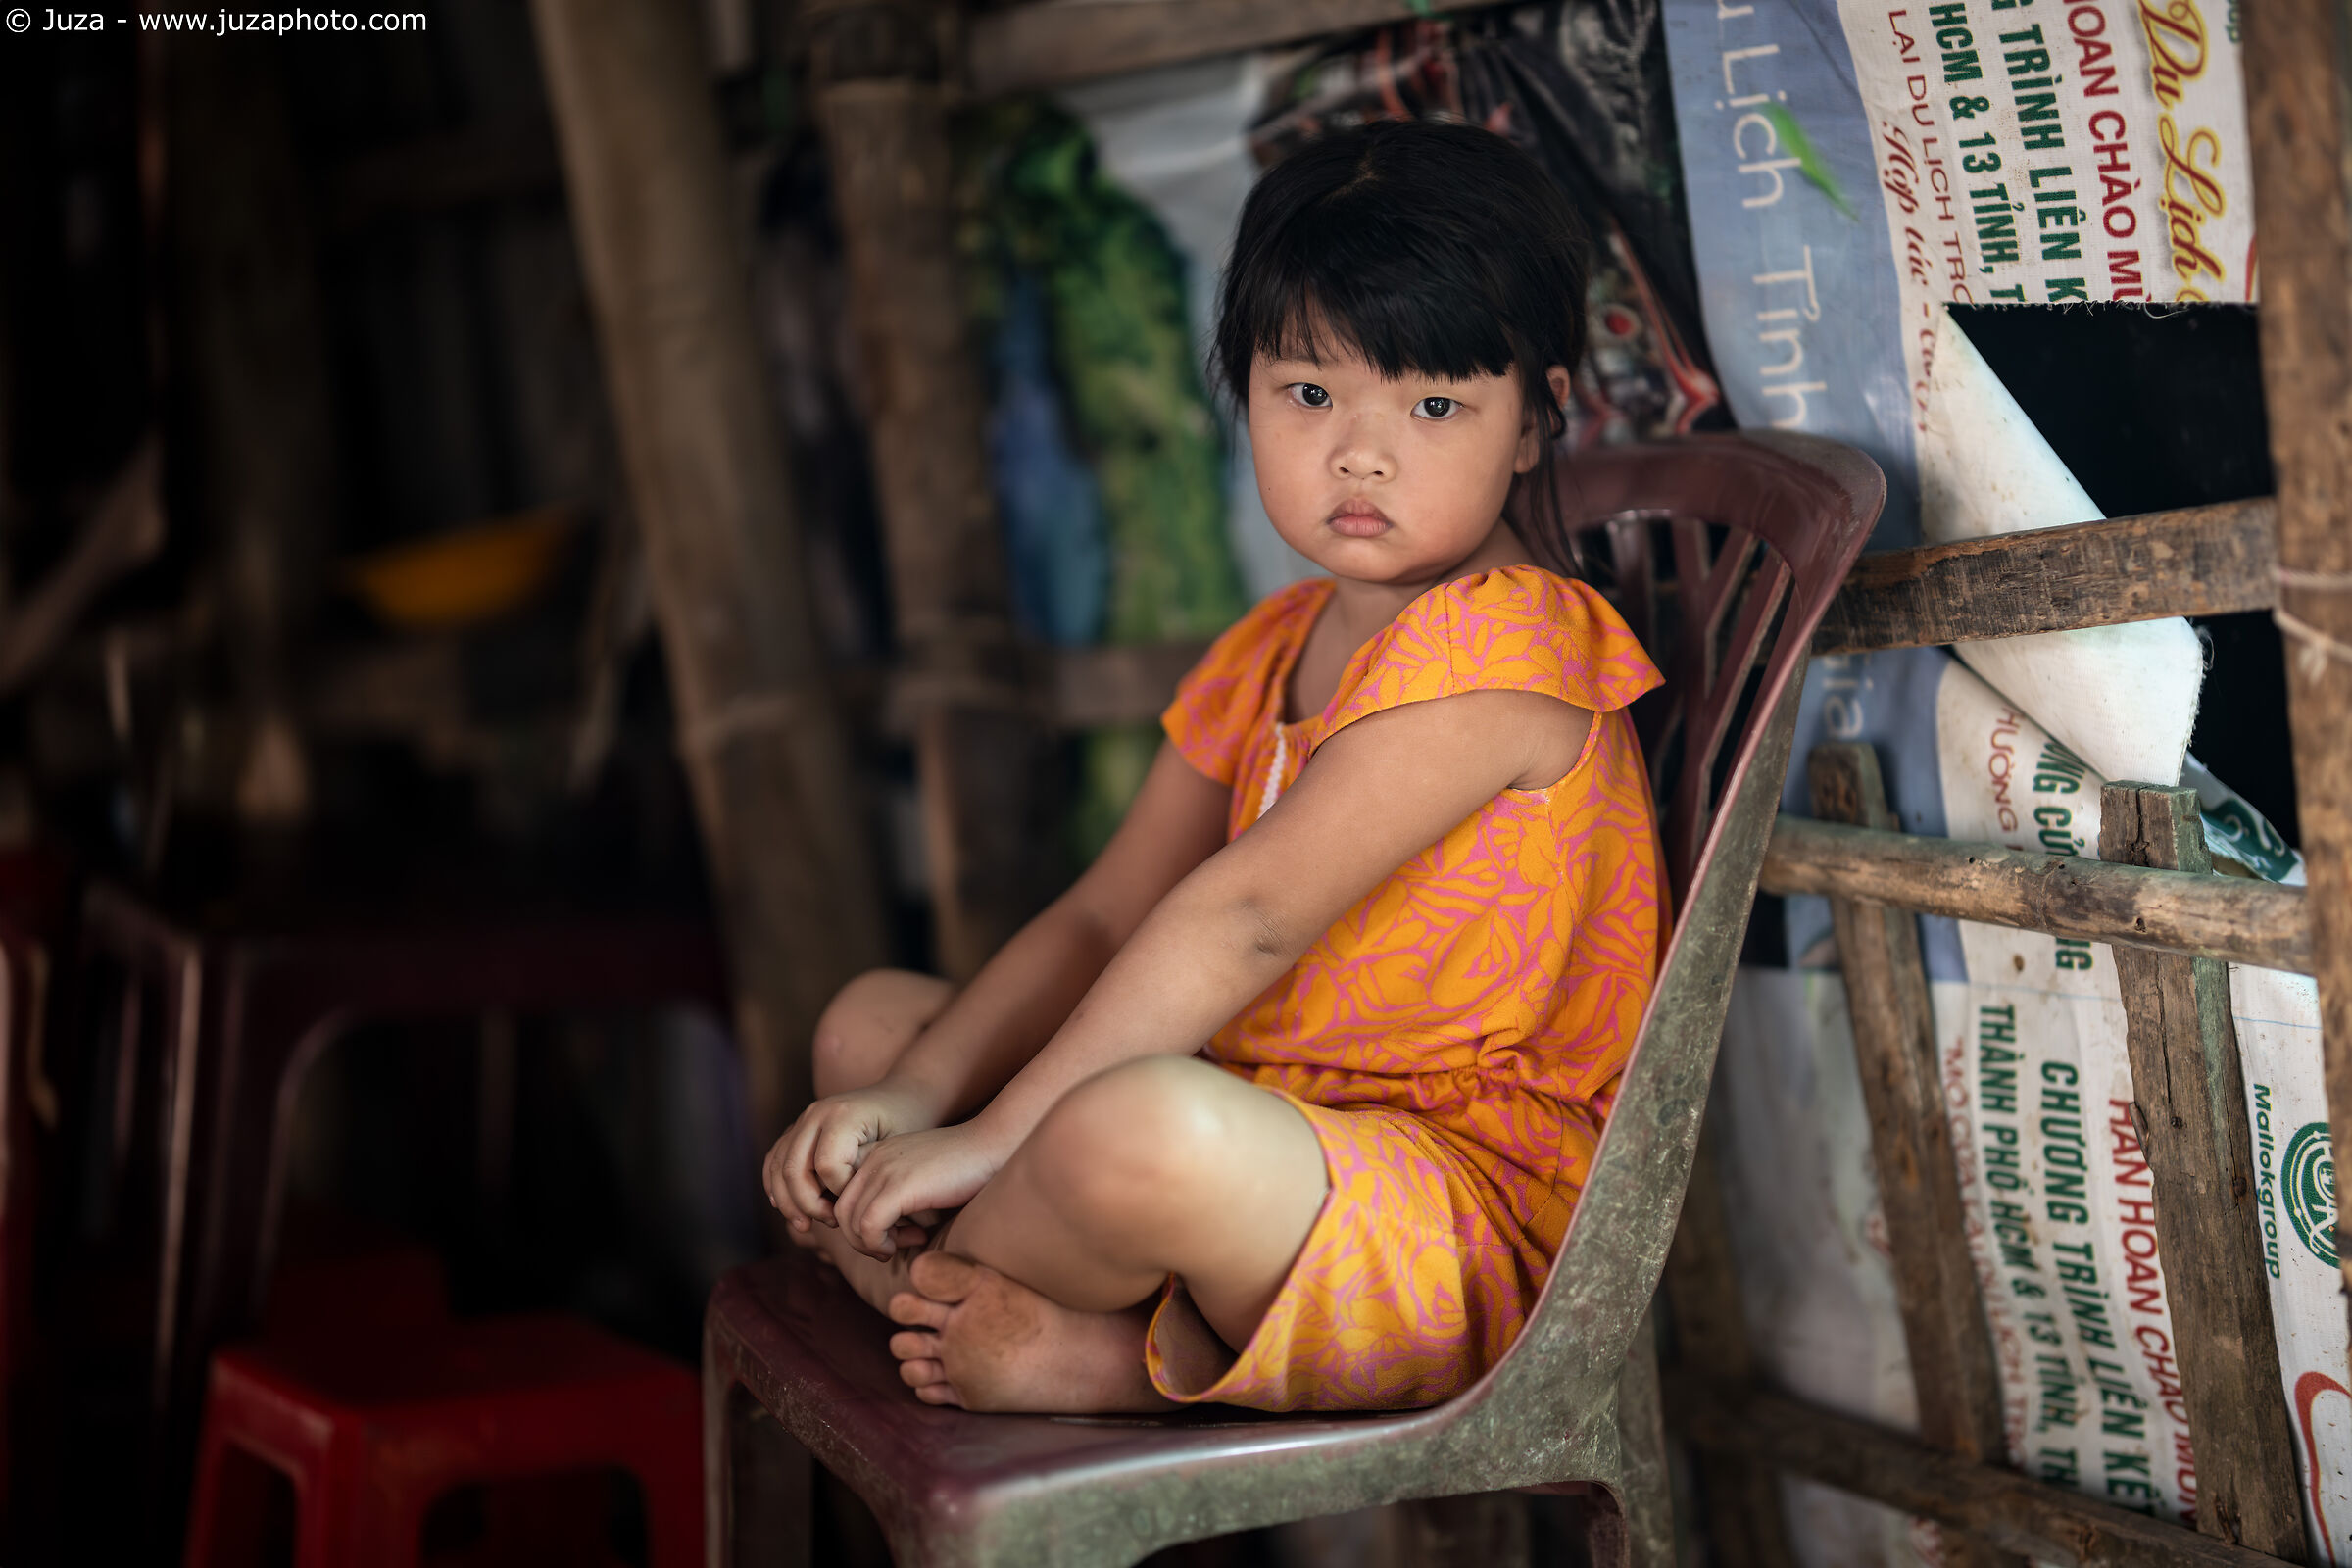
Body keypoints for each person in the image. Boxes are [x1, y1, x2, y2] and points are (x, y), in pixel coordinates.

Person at [762, 117, 1666, 1415]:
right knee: (872, 1024)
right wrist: (918, 1094)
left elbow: (1242, 920)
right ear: (1238, 384)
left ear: (1536, 423)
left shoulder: (1511, 648)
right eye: (1310, 394)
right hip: (1257, 1128)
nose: (1362, 454)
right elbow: (1103, 914)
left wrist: (988, 1138)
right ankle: (1001, 1300)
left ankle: (1037, 1328)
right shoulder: (1271, 647)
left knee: (1134, 1130)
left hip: (1443, 1219)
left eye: (1433, 405)